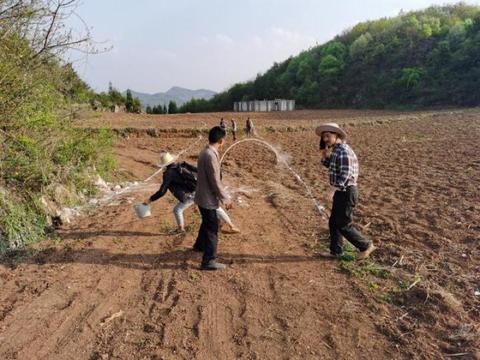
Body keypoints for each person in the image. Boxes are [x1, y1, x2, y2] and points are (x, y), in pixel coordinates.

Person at [316, 123, 376, 260]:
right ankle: (335, 252)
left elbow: (345, 174)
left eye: (328, 136)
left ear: (336, 135)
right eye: (323, 137)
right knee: (333, 222)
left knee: (343, 224)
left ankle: (366, 246)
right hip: (342, 191)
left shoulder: (343, 151)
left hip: (347, 191)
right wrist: (325, 157)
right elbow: (332, 167)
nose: (325, 139)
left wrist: (331, 191)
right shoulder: (336, 150)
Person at [144, 152, 239, 234]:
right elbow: (198, 170)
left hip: (189, 195)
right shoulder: (182, 165)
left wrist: (150, 199)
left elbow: (162, 191)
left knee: (177, 210)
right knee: (214, 207)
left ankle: (181, 229)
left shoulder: (168, 174)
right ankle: (231, 225)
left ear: (164, 165)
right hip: (199, 189)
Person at [193, 126, 232, 270]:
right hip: (207, 198)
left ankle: (199, 245)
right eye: (224, 140)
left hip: (202, 196)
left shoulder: (205, 151)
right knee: (212, 229)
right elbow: (215, 181)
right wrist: (226, 198)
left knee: (207, 223)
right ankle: (209, 261)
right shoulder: (210, 155)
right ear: (221, 140)